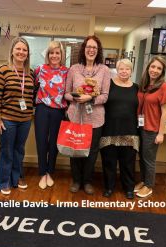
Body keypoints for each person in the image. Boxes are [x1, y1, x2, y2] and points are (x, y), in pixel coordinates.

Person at [65, 35, 110, 195]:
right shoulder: (74, 69)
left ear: (98, 51)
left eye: (94, 48)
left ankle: (87, 181)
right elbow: (66, 94)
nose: (91, 50)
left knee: (91, 152)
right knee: (75, 149)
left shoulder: (104, 70)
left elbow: (105, 95)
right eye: (88, 47)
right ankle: (76, 180)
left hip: (96, 119)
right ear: (84, 49)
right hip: (76, 116)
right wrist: (78, 98)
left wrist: (90, 98)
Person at [0, 37, 34, 195]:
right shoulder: (3, 71)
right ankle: (4, 181)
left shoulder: (30, 74)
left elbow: (31, 96)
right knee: (7, 151)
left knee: (19, 150)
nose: (21, 52)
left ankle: (17, 178)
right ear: (12, 51)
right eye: (19, 49)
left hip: (25, 121)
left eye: (24, 50)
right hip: (7, 120)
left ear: (28, 53)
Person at [100, 59, 139, 199]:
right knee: (109, 162)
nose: (124, 71)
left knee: (128, 163)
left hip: (130, 131)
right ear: (117, 69)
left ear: (131, 71)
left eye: (127, 69)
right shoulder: (108, 85)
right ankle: (109, 187)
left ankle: (128, 188)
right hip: (109, 130)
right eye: (121, 68)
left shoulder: (136, 88)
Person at [135, 55, 166, 198]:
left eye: (159, 68)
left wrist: (161, 133)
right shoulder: (145, 84)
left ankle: (149, 186)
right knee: (142, 157)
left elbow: (165, 112)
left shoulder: (164, 87)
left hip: (152, 129)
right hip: (141, 126)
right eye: (153, 66)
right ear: (148, 67)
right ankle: (144, 181)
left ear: (162, 71)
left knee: (149, 159)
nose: (155, 70)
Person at [34, 41, 68, 190]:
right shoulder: (39, 69)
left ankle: (50, 172)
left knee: (54, 143)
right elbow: (31, 87)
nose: (54, 56)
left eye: (57, 53)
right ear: (47, 55)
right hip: (42, 109)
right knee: (41, 142)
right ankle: (42, 173)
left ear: (62, 55)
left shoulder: (67, 72)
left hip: (58, 111)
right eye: (51, 53)